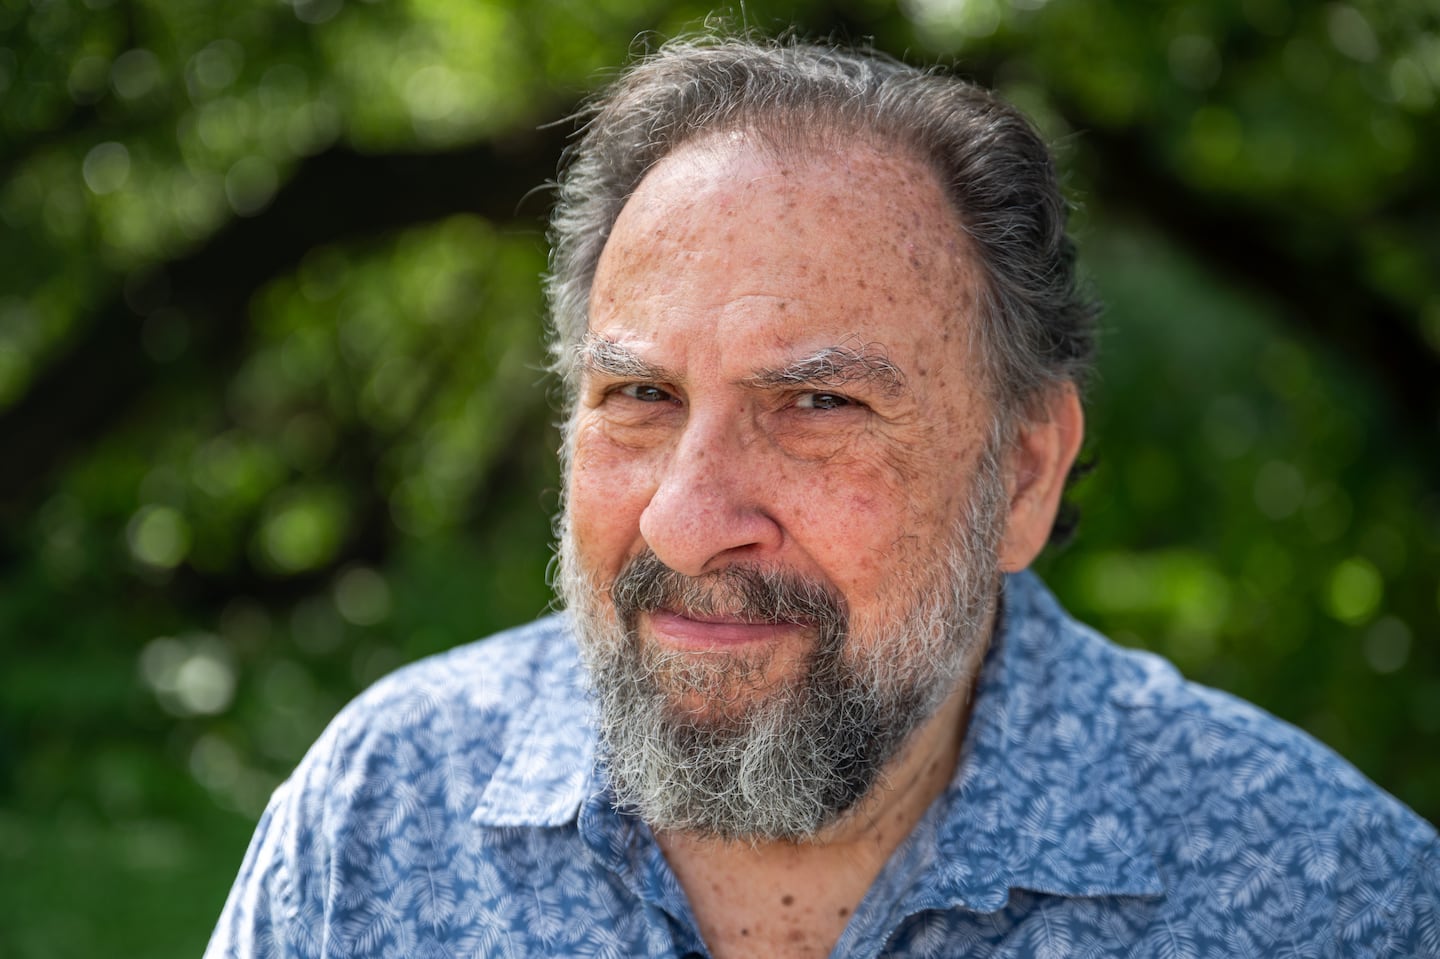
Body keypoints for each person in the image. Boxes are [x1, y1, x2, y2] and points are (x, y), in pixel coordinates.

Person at [207, 34, 1439, 959]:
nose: (687, 518)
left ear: (1022, 472)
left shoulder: (1329, 893)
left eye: (817, 406)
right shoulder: (376, 812)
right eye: (637, 393)